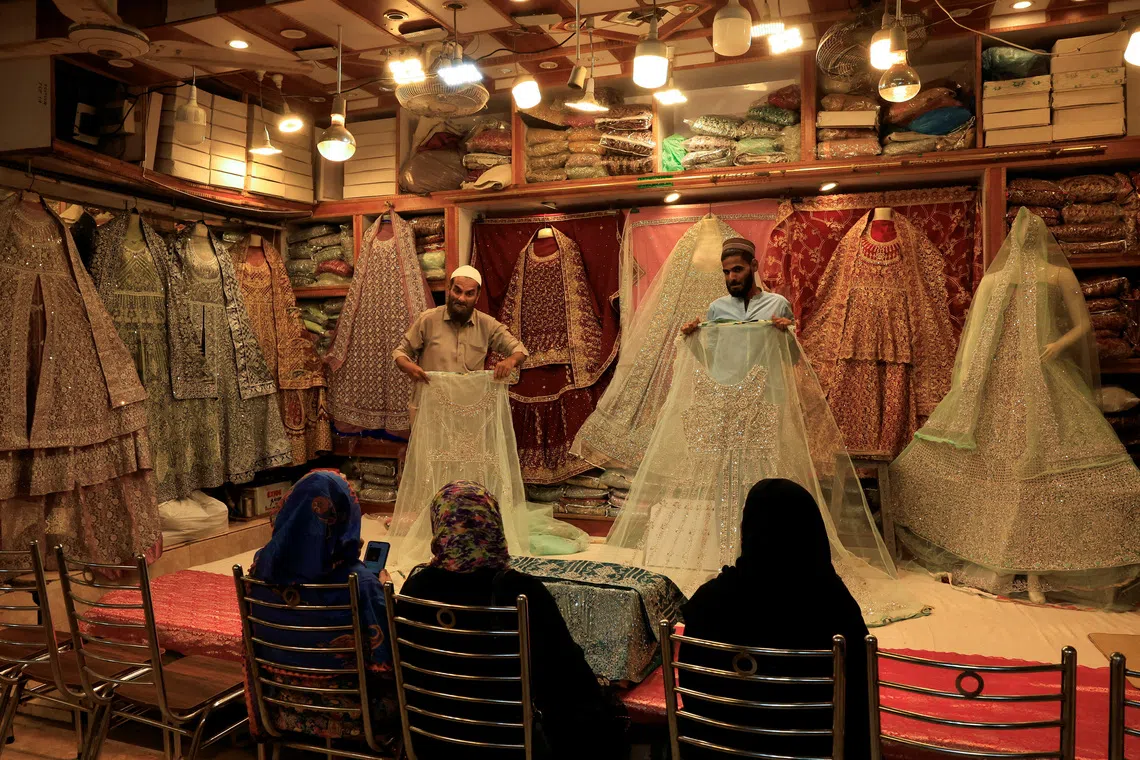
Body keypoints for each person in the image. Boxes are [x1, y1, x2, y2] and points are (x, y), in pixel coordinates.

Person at [398, 481, 627, 760]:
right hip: (508, 742)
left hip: (433, 739)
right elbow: (569, 676)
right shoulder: (520, 591)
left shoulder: (416, 589)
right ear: (493, 525)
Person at [679, 479, 871, 760]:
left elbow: (693, 693)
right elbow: (858, 703)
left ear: (748, 530)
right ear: (811, 533)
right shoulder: (834, 607)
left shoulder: (709, 601)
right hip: (810, 753)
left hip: (721, 750)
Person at [244, 470, 398, 744]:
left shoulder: (261, 570)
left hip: (280, 706)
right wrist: (385, 593)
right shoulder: (360, 583)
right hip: (355, 713)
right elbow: (387, 666)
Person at [393, 265, 528, 383]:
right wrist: (408, 366)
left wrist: (510, 361)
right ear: (449, 288)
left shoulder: (486, 324)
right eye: (457, 291)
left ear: (477, 296)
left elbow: (520, 351)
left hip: (468, 406)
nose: (461, 298)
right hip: (432, 404)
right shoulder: (428, 320)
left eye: (469, 294)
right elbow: (400, 352)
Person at [681, 237, 794, 336]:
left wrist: (790, 331)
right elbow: (713, 356)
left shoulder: (778, 304)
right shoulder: (716, 308)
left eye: (737, 270)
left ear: (754, 265)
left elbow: (793, 355)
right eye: (726, 272)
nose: (731, 278)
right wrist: (692, 336)